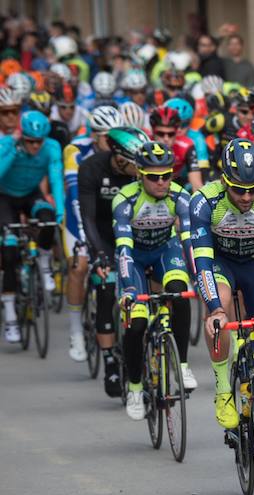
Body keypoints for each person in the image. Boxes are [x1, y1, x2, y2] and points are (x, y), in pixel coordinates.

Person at [191, 139, 254, 480]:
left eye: (252, 189)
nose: (247, 197)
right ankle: (223, 389)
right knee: (220, 310)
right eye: (238, 189)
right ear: (224, 180)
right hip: (221, 265)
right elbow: (202, 263)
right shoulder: (204, 201)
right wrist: (214, 309)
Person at [113, 141, 195, 419]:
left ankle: (182, 366)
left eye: (166, 175)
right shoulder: (125, 200)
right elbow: (124, 250)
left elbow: (188, 242)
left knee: (179, 293)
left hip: (164, 251)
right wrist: (130, 289)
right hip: (134, 258)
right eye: (153, 176)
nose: (161, 182)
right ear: (139, 174)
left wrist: (199, 279)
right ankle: (135, 387)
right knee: (136, 323)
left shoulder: (180, 196)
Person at [77, 127, 148, 396]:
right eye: (135, 163)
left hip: (134, 233)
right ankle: (109, 361)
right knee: (106, 287)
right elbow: (88, 218)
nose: (140, 169)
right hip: (103, 235)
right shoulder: (91, 168)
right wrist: (100, 255)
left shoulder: (141, 173)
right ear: (119, 158)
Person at [61, 105, 123, 362]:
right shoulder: (76, 151)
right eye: (107, 137)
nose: (113, 142)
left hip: (108, 219)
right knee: (80, 266)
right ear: (94, 136)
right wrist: (85, 242)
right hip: (79, 215)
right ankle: (76, 330)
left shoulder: (122, 155)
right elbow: (76, 198)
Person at [0, 111, 63, 343]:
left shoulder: (52, 147)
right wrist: (13, 149)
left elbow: (55, 178)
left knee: (47, 219)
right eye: (30, 141)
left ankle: (45, 263)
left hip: (30, 194)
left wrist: (60, 211)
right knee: (9, 253)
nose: (35, 146)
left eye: (39, 141)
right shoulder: (8, 144)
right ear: (23, 136)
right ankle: (10, 317)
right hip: (5, 197)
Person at [149, 106, 203, 192]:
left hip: (174, 182)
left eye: (171, 134)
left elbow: (196, 184)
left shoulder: (186, 146)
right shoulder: (144, 141)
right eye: (160, 133)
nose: (166, 138)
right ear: (152, 131)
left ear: (177, 131)